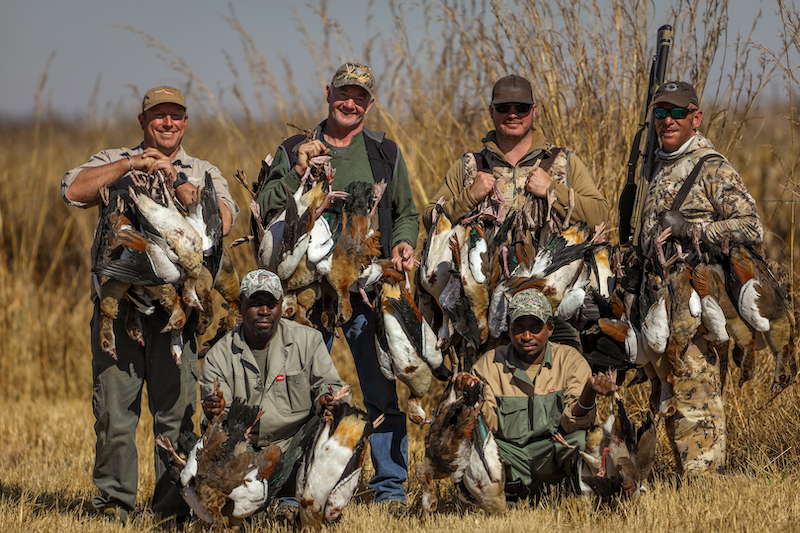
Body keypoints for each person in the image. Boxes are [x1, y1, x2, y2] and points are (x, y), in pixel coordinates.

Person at [61, 86, 239, 523]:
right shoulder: (114, 160)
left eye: (175, 116)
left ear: (185, 121)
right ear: (143, 122)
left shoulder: (202, 170)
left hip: (175, 315)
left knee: (177, 417)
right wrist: (131, 165)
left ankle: (172, 510)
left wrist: (180, 184)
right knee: (115, 416)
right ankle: (113, 506)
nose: (167, 123)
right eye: (158, 116)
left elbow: (225, 222)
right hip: (120, 312)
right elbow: (73, 190)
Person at [255, 62, 418, 506]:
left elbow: (406, 213)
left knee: (381, 382)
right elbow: (263, 205)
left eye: (360, 96)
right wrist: (297, 171)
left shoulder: (385, 152)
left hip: (364, 285)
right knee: (299, 389)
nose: (350, 103)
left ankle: (389, 487)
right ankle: (290, 485)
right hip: (309, 291)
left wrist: (403, 245)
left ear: (369, 102)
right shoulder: (294, 148)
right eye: (344, 93)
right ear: (328, 93)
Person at [636, 81, 762, 475]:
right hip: (662, 305)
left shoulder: (711, 166)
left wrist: (692, 231)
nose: (668, 120)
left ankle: (707, 488)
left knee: (697, 395)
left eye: (677, 112)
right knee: (669, 395)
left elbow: (752, 227)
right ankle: (685, 484)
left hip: (700, 303)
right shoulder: (658, 164)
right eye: (660, 113)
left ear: (696, 117)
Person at [199, 269, 349, 515]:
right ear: (241, 306)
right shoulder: (219, 355)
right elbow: (216, 421)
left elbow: (331, 384)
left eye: (271, 304)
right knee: (212, 445)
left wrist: (328, 398)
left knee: (338, 426)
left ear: (281, 306)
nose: (264, 311)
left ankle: (295, 500)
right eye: (256, 304)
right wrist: (212, 412)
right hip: (247, 452)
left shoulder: (309, 340)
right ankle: (244, 504)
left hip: (296, 447)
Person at [457, 288, 617, 499]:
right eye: (519, 328)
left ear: (550, 329)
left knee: (581, 441)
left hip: (553, 453)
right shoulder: (488, 364)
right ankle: (505, 496)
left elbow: (575, 424)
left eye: (535, 328)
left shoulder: (570, 361)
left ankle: (576, 493)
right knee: (471, 448)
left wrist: (589, 392)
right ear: (509, 329)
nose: (526, 336)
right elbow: (490, 426)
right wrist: (471, 394)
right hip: (511, 457)